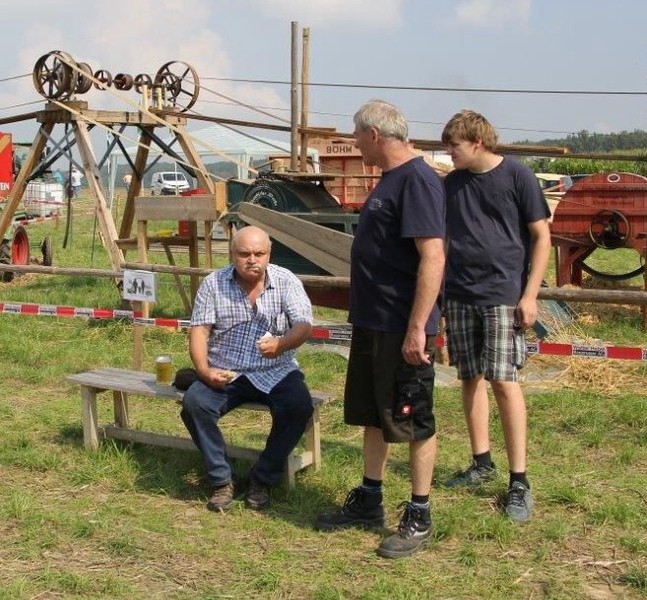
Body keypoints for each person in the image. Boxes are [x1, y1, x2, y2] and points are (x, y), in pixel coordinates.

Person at [316, 100, 446, 559]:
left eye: (356, 135)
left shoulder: (417, 180)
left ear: (374, 134)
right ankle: (370, 499)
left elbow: (433, 257)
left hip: (401, 325)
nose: (354, 143)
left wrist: (418, 327)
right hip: (373, 322)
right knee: (374, 413)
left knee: (413, 419)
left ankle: (419, 513)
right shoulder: (390, 179)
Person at [440, 109, 552, 522]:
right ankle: (481, 462)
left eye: (454, 145)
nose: (449, 153)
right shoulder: (451, 185)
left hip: (504, 295)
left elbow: (541, 237)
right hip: (460, 295)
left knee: (504, 381)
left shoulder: (518, 176)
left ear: (477, 142)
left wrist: (530, 294)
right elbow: (442, 241)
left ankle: (519, 481)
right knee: (469, 377)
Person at [181, 225, 314, 512]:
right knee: (195, 403)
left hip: (276, 369)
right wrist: (204, 371)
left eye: (259, 253)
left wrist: (281, 344)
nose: (252, 260)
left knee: (299, 406)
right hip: (227, 369)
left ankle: (263, 478)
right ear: (232, 254)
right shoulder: (213, 283)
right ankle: (221, 480)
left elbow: (304, 325)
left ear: (269, 254)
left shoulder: (286, 280)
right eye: (244, 254)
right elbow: (199, 331)